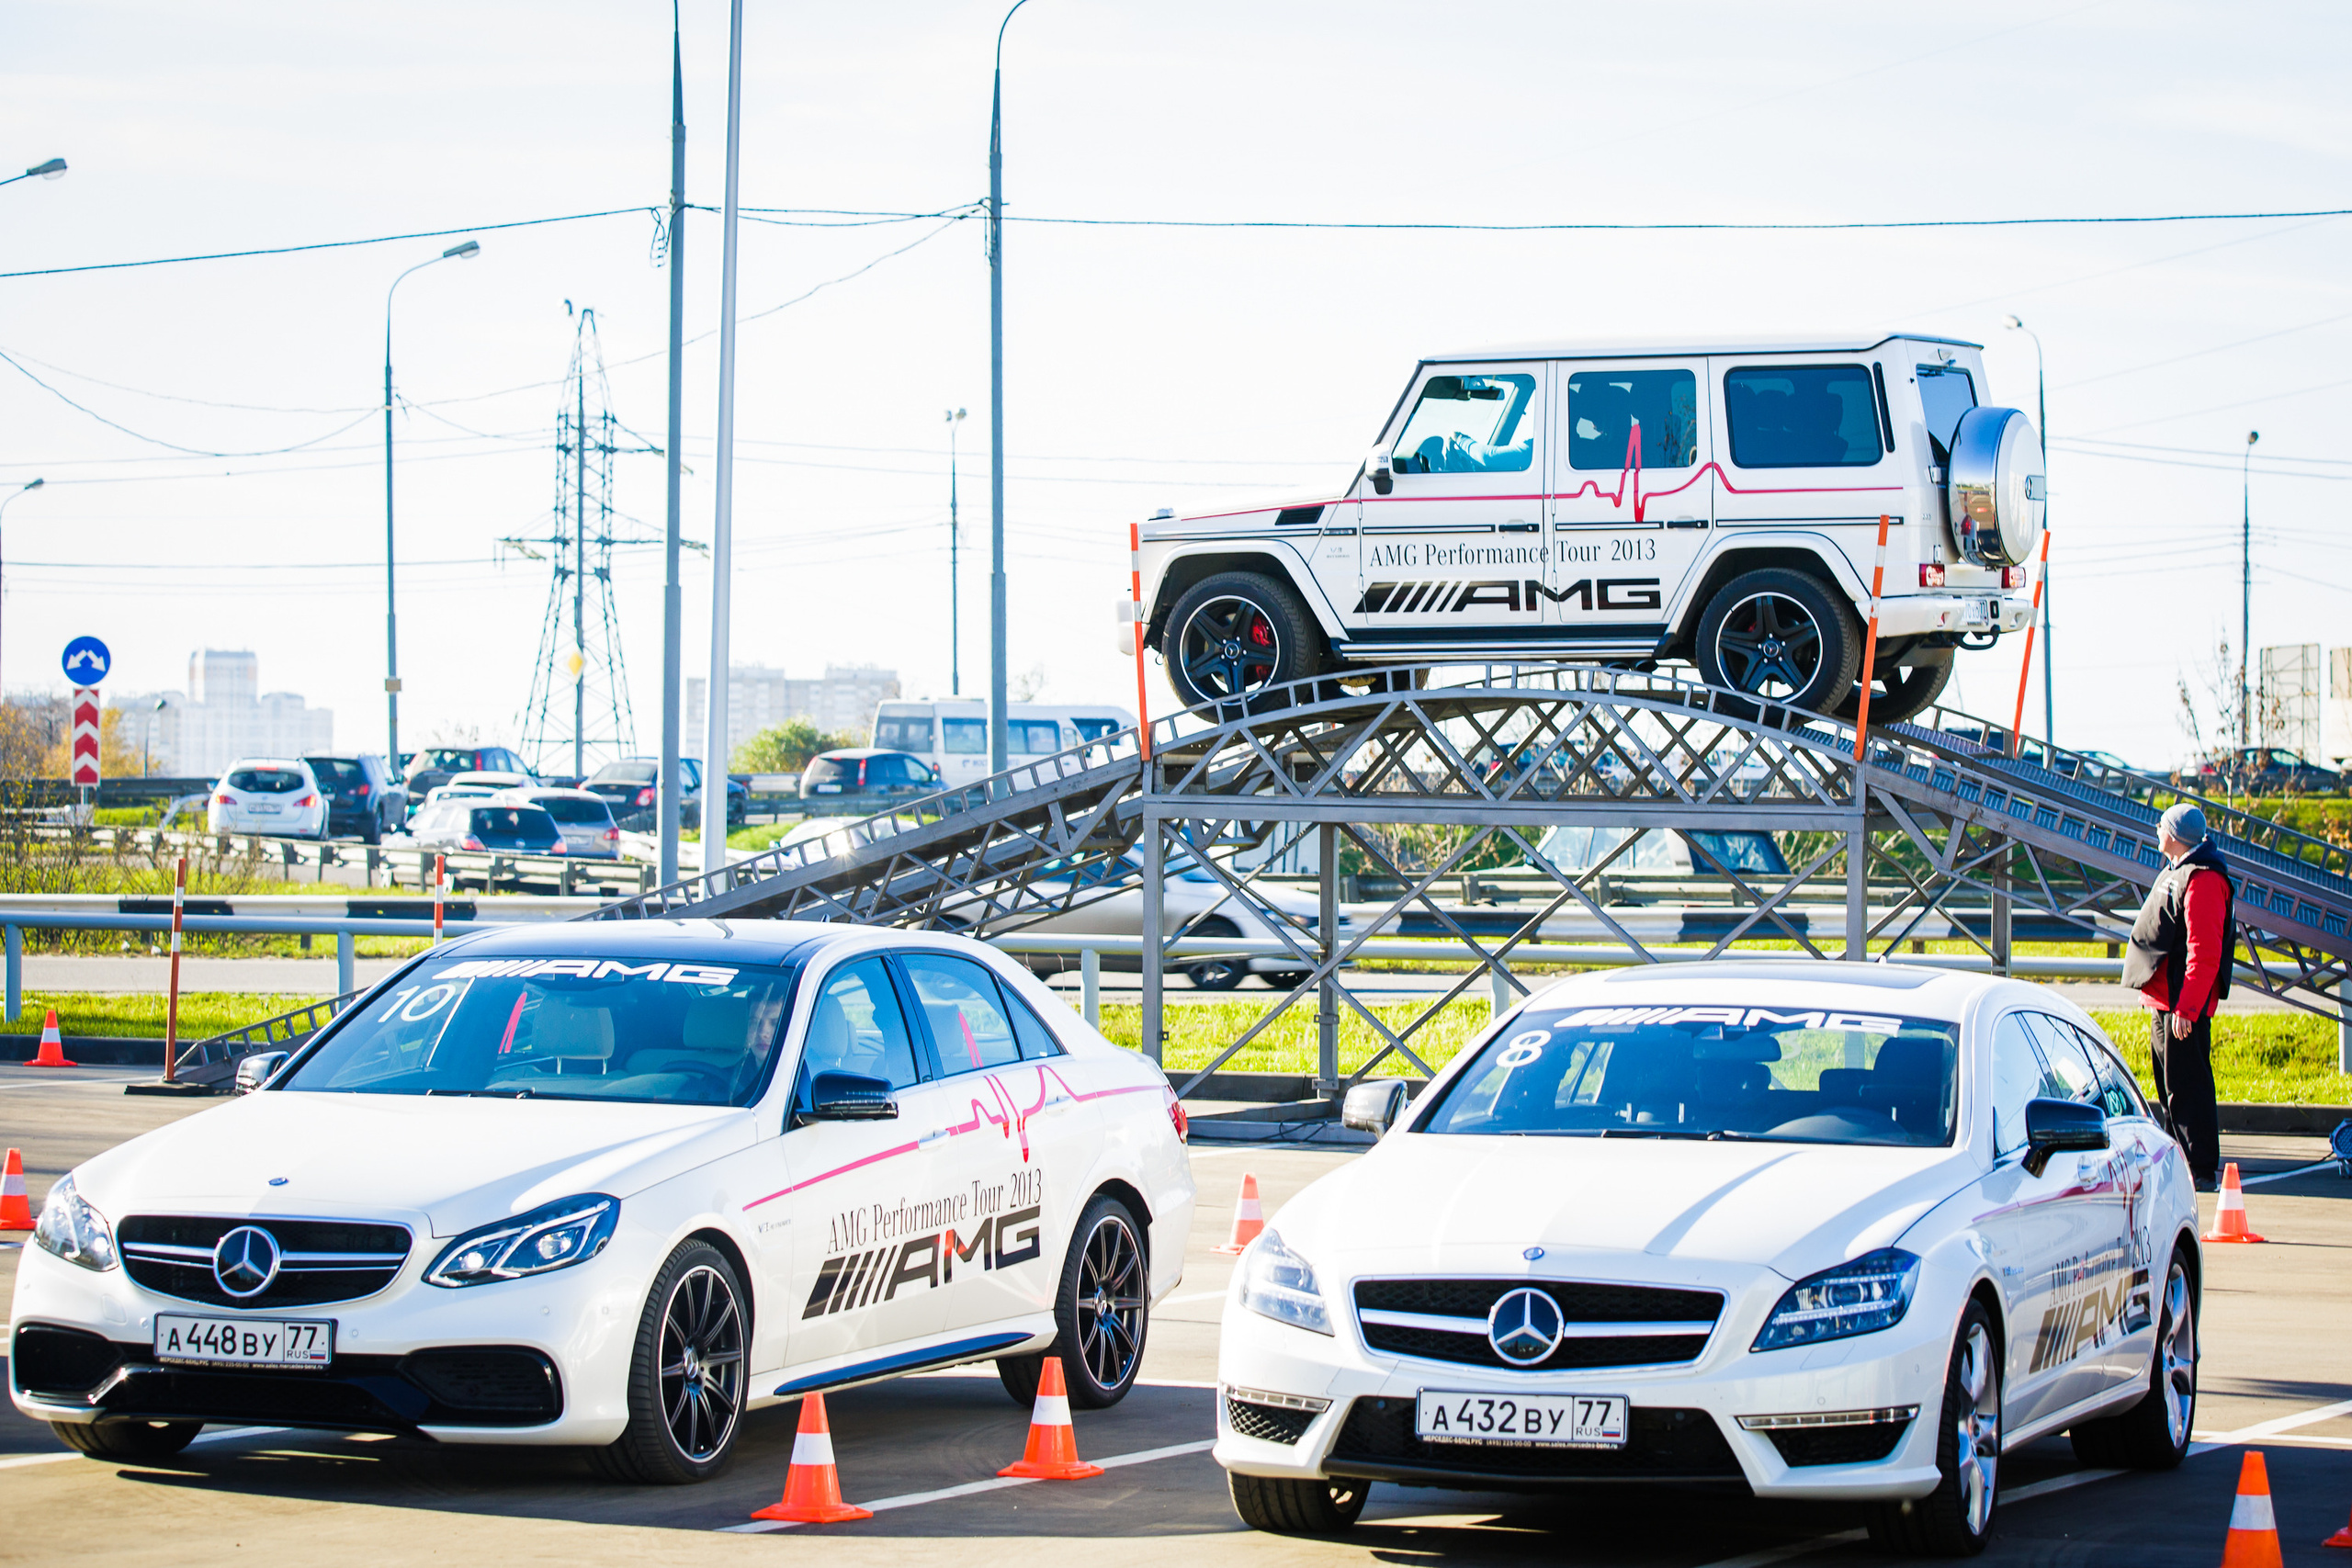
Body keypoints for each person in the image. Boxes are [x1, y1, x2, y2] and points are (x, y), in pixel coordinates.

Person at [2120, 802, 2234, 1190]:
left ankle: (2200, 1170)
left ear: (2174, 835)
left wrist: (2187, 1007)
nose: (2156, 829)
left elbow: (2204, 953)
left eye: (2162, 825)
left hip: (2181, 1006)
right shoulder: (2179, 868)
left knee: (2188, 1088)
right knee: (2171, 1089)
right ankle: (2178, 1164)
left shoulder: (2203, 879)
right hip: (2165, 1002)